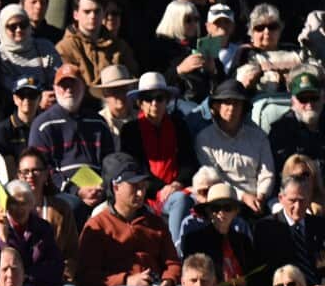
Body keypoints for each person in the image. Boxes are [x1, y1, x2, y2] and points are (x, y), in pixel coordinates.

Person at [77, 153, 181, 286]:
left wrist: (168, 281)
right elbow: (86, 275)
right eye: (135, 187)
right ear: (115, 187)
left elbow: (173, 262)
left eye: (143, 186)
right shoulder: (97, 225)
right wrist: (126, 280)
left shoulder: (156, 223)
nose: (141, 193)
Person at [119, 72, 198, 241]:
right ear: (140, 103)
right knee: (180, 200)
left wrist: (176, 184)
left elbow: (189, 161)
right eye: (148, 98)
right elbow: (134, 167)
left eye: (159, 98)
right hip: (147, 193)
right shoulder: (130, 131)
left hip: (178, 187)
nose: (154, 103)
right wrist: (161, 188)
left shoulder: (179, 125)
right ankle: (175, 252)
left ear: (167, 100)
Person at [27, 63, 115, 187]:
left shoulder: (99, 122)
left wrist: (103, 187)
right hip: (60, 196)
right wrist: (73, 190)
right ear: (55, 88)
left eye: (73, 84)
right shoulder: (42, 125)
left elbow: (109, 163)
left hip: (100, 191)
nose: (68, 89)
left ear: (83, 87)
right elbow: (40, 169)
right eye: (63, 85)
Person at [194, 79, 274, 215]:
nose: (231, 108)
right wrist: (242, 196)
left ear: (243, 107)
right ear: (216, 106)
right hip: (223, 203)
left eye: (236, 103)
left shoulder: (258, 137)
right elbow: (214, 178)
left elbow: (267, 173)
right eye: (226, 102)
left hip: (260, 201)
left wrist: (261, 196)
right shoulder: (205, 139)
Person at [0, 180, 63, 286]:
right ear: (6, 205)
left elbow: (55, 264)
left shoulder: (42, 227)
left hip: (39, 284)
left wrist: (25, 276)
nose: (19, 208)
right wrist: (3, 239)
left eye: (23, 203)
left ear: (31, 205)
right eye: (14, 203)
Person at [55, 0, 138, 100]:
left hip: (114, 106)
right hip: (81, 108)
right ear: (76, 14)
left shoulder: (120, 46)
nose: (92, 16)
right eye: (87, 11)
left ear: (103, 13)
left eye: (97, 11)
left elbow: (133, 81)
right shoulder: (64, 48)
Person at [252, 176, 325, 286]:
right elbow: (264, 274)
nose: (297, 207)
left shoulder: (320, 226)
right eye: (292, 201)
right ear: (281, 198)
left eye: (302, 201)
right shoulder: (265, 229)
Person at [181, 183, 256, 286]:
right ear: (209, 212)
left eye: (227, 208)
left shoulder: (243, 241)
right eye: (215, 208)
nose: (221, 213)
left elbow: (252, 275)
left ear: (236, 211)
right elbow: (194, 279)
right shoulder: (194, 240)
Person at [0, 3, 59, 97]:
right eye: (13, 27)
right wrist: (38, 99)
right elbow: (9, 87)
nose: (18, 30)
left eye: (23, 25)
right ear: (3, 28)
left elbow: (57, 77)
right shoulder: (0, 55)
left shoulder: (45, 46)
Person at [270, 68, 325, 170]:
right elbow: (284, 172)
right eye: (303, 99)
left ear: (323, 97)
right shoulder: (281, 130)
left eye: (314, 97)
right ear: (293, 101)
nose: (309, 105)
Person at [0, 77, 42, 168]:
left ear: (40, 98)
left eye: (32, 95)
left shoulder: (45, 126)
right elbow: (7, 166)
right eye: (21, 95)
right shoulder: (3, 129)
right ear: (14, 99)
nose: (26, 100)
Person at [92, 64, 138, 139]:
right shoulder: (97, 122)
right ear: (105, 95)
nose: (120, 94)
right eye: (114, 91)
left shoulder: (142, 119)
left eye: (124, 89)